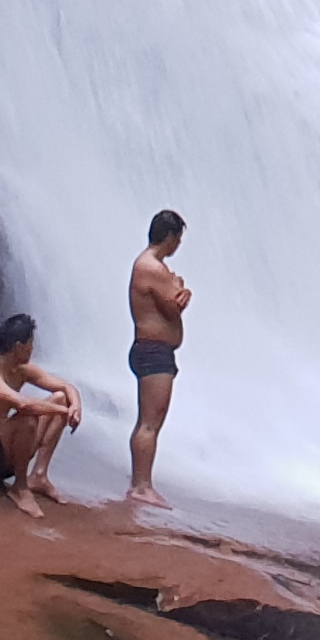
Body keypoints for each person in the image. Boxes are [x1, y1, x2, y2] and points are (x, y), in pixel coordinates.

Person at [0, 314, 80, 515]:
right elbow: (23, 405)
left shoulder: (21, 370)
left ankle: (39, 476)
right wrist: (65, 412)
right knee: (28, 419)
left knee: (60, 397)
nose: (33, 348)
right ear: (19, 347)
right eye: (30, 343)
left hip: (6, 455)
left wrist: (74, 405)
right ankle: (20, 487)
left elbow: (66, 387)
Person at [125, 209, 191, 506]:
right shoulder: (151, 267)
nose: (178, 245)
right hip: (153, 352)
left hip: (153, 351)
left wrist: (177, 293)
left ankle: (140, 481)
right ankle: (141, 486)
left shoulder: (150, 265)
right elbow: (171, 309)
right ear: (171, 237)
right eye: (178, 239)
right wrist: (179, 291)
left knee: (148, 421)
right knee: (150, 422)